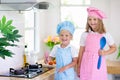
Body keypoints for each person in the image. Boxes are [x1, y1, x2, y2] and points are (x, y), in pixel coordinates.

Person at [77, 7, 116, 80]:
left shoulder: (105, 34)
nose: (92, 22)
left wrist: (105, 52)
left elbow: (114, 48)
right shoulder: (85, 34)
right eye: (90, 19)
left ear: (99, 20)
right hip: (86, 63)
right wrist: (78, 65)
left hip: (98, 63)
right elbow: (81, 51)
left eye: (95, 19)